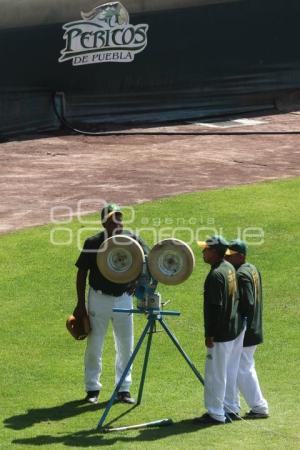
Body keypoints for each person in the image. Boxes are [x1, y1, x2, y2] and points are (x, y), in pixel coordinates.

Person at [74, 202, 148, 404]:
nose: (117, 223)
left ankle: (123, 389)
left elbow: (147, 260)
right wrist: (81, 304)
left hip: (124, 298)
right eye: (112, 220)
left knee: (125, 345)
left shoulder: (132, 240)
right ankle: (92, 389)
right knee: (95, 344)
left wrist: (137, 280)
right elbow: (82, 273)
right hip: (98, 298)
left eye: (119, 218)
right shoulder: (93, 242)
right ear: (104, 223)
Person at [196, 235, 245, 425]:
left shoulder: (216, 275)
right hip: (234, 330)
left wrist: (210, 334)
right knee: (230, 371)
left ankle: (216, 413)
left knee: (215, 374)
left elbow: (215, 308)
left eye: (206, 249)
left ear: (215, 252)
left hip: (221, 334)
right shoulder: (229, 268)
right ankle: (231, 407)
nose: (203, 252)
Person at [225, 239, 269, 419]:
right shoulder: (252, 268)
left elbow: (248, 303)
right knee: (236, 367)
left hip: (246, 331)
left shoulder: (241, 275)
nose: (227, 259)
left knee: (243, 368)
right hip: (254, 328)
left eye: (231, 256)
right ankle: (232, 406)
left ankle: (259, 407)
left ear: (241, 256)